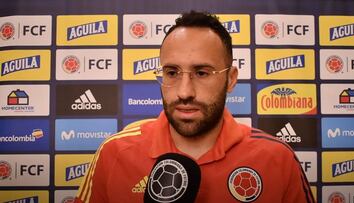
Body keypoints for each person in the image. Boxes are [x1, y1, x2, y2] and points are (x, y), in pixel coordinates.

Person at [75, 11, 315, 203]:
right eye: (172, 72)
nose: (184, 92)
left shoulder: (278, 159)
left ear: (230, 79)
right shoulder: (114, 152)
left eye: (202, 72)